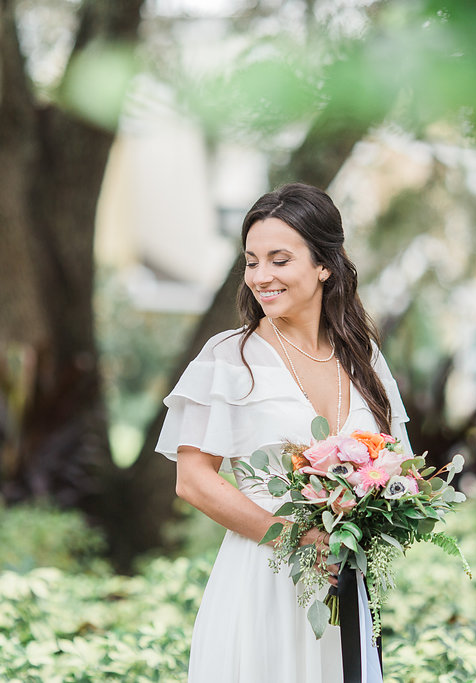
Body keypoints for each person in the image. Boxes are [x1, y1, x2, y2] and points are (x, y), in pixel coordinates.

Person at [156, 183, 411, 683]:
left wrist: (371, 509)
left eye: (279, 259)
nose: (261, 276)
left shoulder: (365, 360)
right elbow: (193, 480)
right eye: (252, 261)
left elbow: (395, 463)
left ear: (324, 265)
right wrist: (297, 538)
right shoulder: (229, 358)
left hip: (345, 583)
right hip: (262, 581)